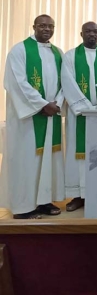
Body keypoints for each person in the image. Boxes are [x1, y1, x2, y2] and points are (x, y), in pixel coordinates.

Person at [0, 15, 65, 219]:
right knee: (26, 161)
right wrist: (42, 104)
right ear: (34, 27)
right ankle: (22, 207)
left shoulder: (58, 53)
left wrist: (57, 104)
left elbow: (66, 82)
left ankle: (44, 201)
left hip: (50, 116)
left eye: (51, 26)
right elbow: (16, 83)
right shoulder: (19, 50)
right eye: (43, 26)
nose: (47, 29)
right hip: (27, 120)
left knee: (48, 160)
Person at [61, 21, 97, 212]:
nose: (92, 35)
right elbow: (67, 82)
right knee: (78, 154)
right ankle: (78, 195)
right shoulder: (70, 56)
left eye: (95, 31)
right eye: (88, 31)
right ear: (81, 33)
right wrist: (85, 107)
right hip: (79, 115)